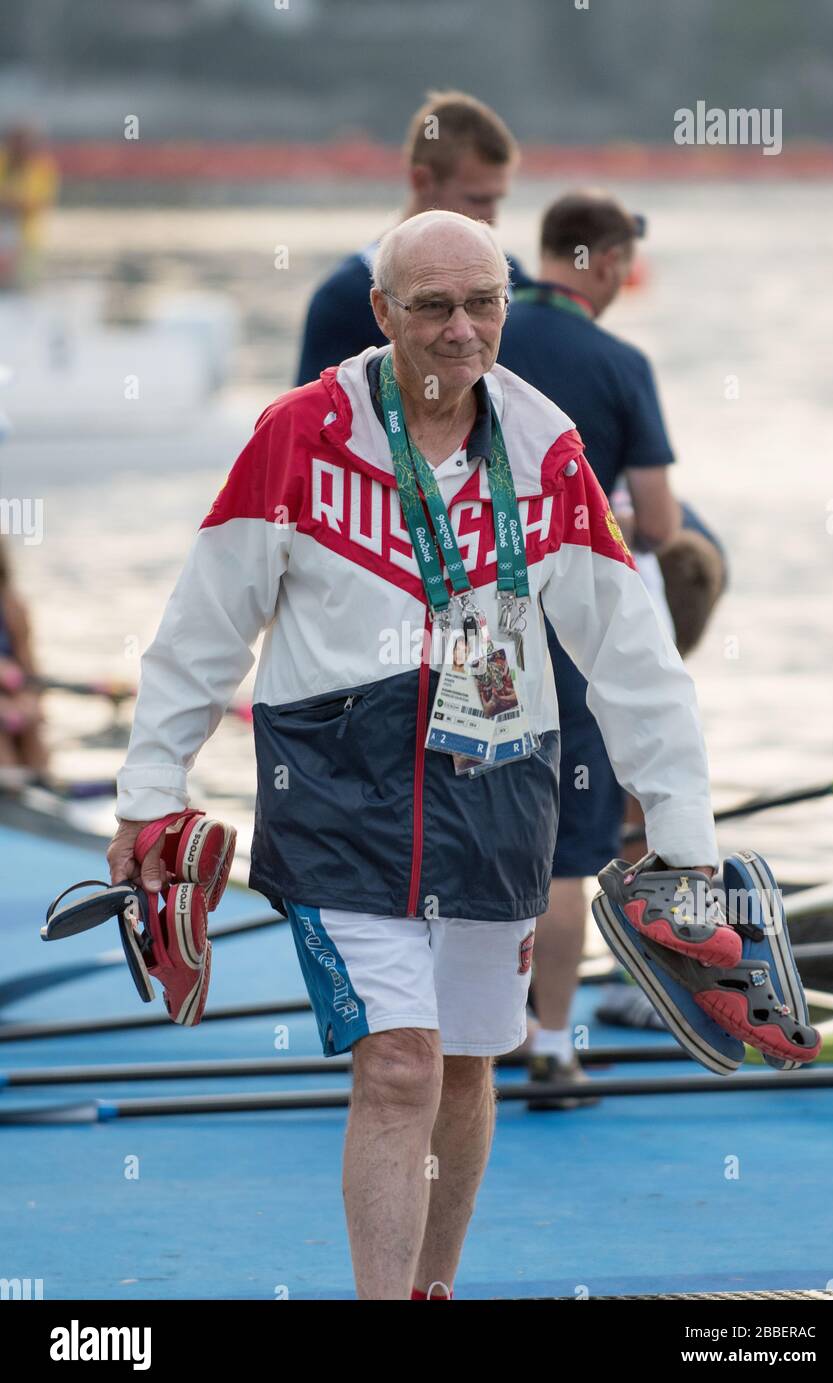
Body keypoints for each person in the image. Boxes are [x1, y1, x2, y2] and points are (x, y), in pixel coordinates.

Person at [108, 209, 723, 1301]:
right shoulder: (296, 435)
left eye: (480, 303)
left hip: (498, 795)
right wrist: (148, 794)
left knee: (466, 1064)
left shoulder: (546, 449)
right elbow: (202, 626)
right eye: (430, 306)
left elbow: (633, 655)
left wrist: (683, 845)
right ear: (382, 312)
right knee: (396, 1063)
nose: (459, 330)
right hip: (338, 798)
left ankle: (433, 1287)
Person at [497, 191, 725, 1102]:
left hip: (469, 624)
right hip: (576, 627)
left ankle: (474, 1032)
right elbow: (661, 524)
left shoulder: (476, 336)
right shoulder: (620, 362)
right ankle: (550, 1047)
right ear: (606, 262)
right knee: (563, 856)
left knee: (478, 830)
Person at [295, 89, 530, 386]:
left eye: (482, 302)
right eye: (477, 199)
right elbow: (316, 424)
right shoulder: (343, 299)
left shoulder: (514, 278)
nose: (491, 219)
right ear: (422, 180)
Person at [0, 538, 49, 779]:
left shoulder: (12, 605)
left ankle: (44, 791)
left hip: (11, 695)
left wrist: (31, 700)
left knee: (30, 725)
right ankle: (11, 793)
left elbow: (30, 671)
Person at [0, 125, 59, 292]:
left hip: (26, 241)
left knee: (23, 289)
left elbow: (37, 204)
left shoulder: (42, 167)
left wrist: (10, 202)